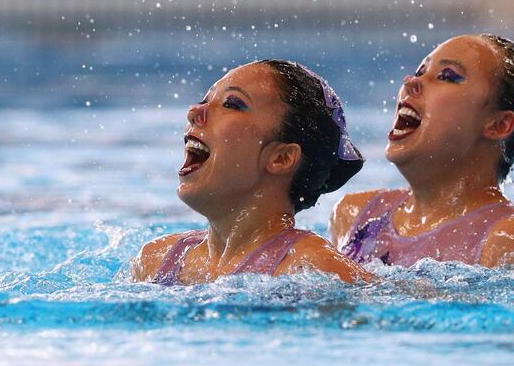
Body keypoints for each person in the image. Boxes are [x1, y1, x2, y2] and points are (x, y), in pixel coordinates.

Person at [331, 34, 514, 270]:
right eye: (420, 71)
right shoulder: (355, 215)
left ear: (498, 125)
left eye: (446, 76)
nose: (411, 81)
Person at [132, 59, 374, 285]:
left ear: (281, 158)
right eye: (205, 101)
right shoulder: (155, 261)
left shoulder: (314, 268)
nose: (195, 112)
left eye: (231, 103)